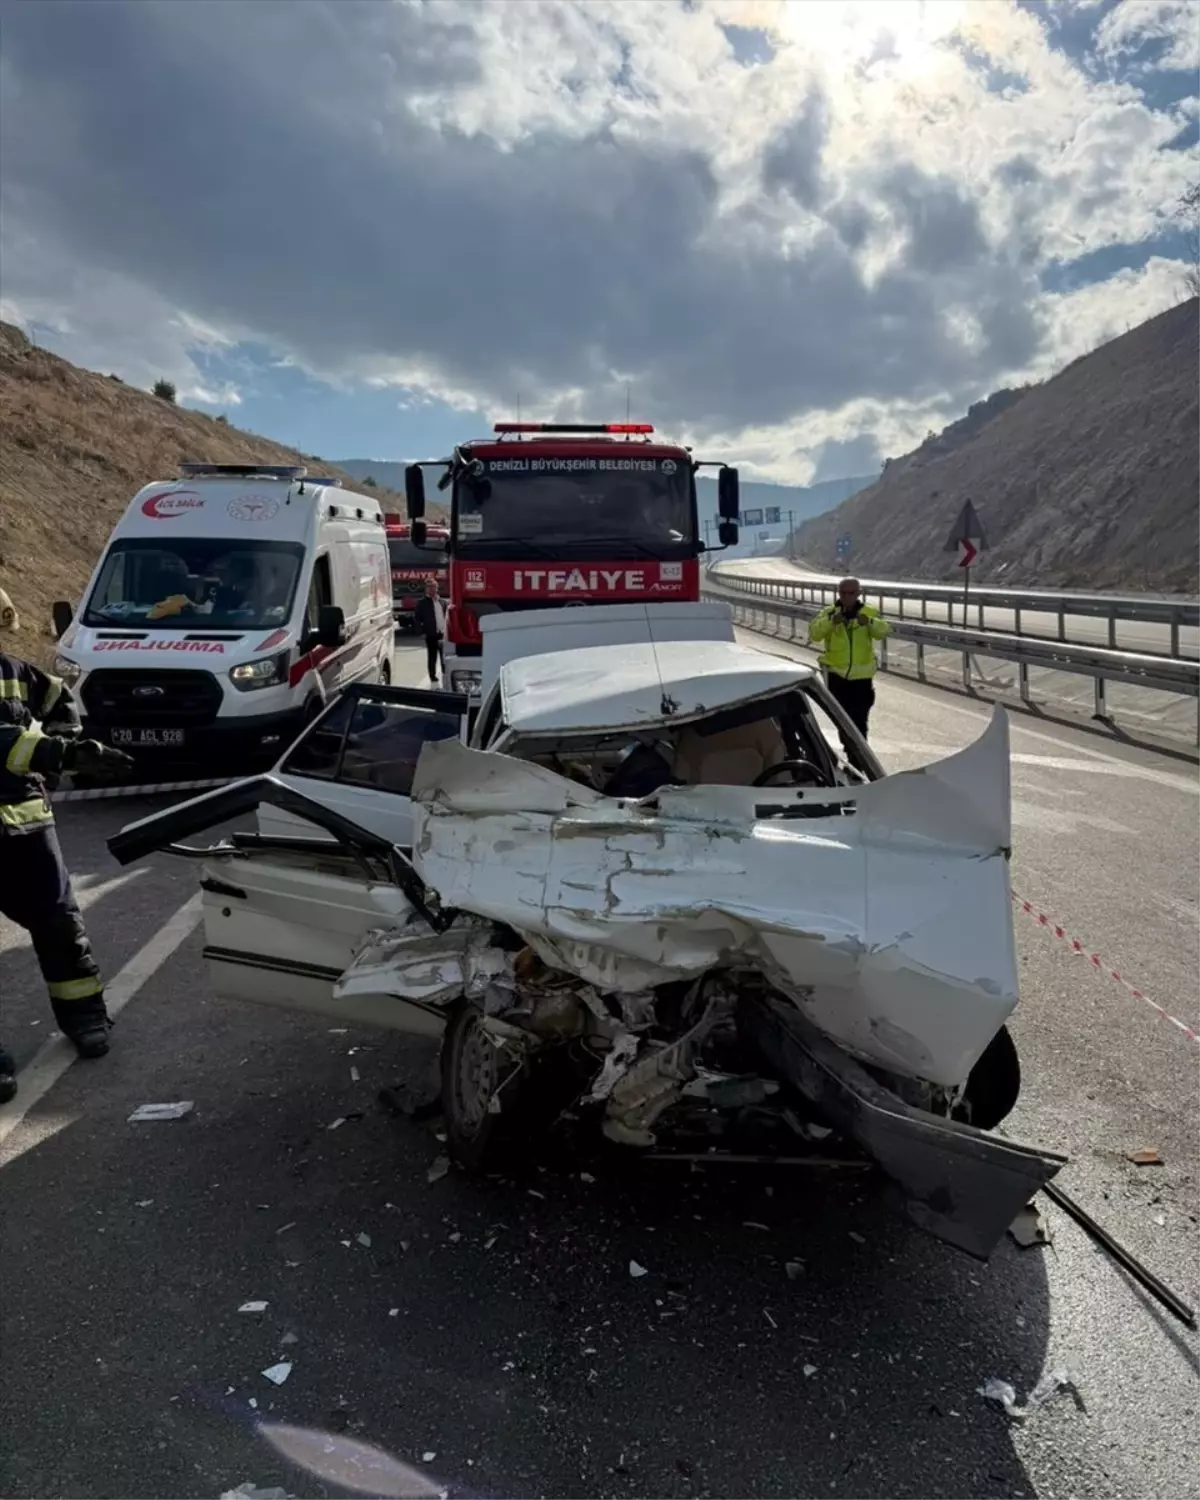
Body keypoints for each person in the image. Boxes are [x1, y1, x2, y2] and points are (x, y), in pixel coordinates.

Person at [0, 641, 133, 1103]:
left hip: (26, 827)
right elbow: (4, 741)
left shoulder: (13, 671)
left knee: (59, 924)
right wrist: (66, 755)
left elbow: (60, 699)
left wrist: (62, 758)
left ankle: (85, 1017)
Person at [808, 577, 890, 740]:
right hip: (836, 677)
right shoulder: (829, 613)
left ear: (859, 593)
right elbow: (814, 634)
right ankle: (853, 757)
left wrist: (869, 622)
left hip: (861, 679)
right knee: (842, 723)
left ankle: (858, 762)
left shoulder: (869, 612)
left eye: (851, 593)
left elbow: (883, 631)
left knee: (859, 724)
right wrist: (831, 622)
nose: (847, 597)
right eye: (843, 593)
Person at [413, 578, 446, 685]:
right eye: (429, 587)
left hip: (443, 634)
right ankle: (433, 677)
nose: (432, 589)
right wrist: (421, 632)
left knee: (444, 656)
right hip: (431, 634)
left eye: (433, 587)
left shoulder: (443, 602)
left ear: (437, 588)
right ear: (426, 589)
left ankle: (445, 674)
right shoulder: (422, 603)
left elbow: (447, 616)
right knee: (432, 656)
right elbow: (417, 618)